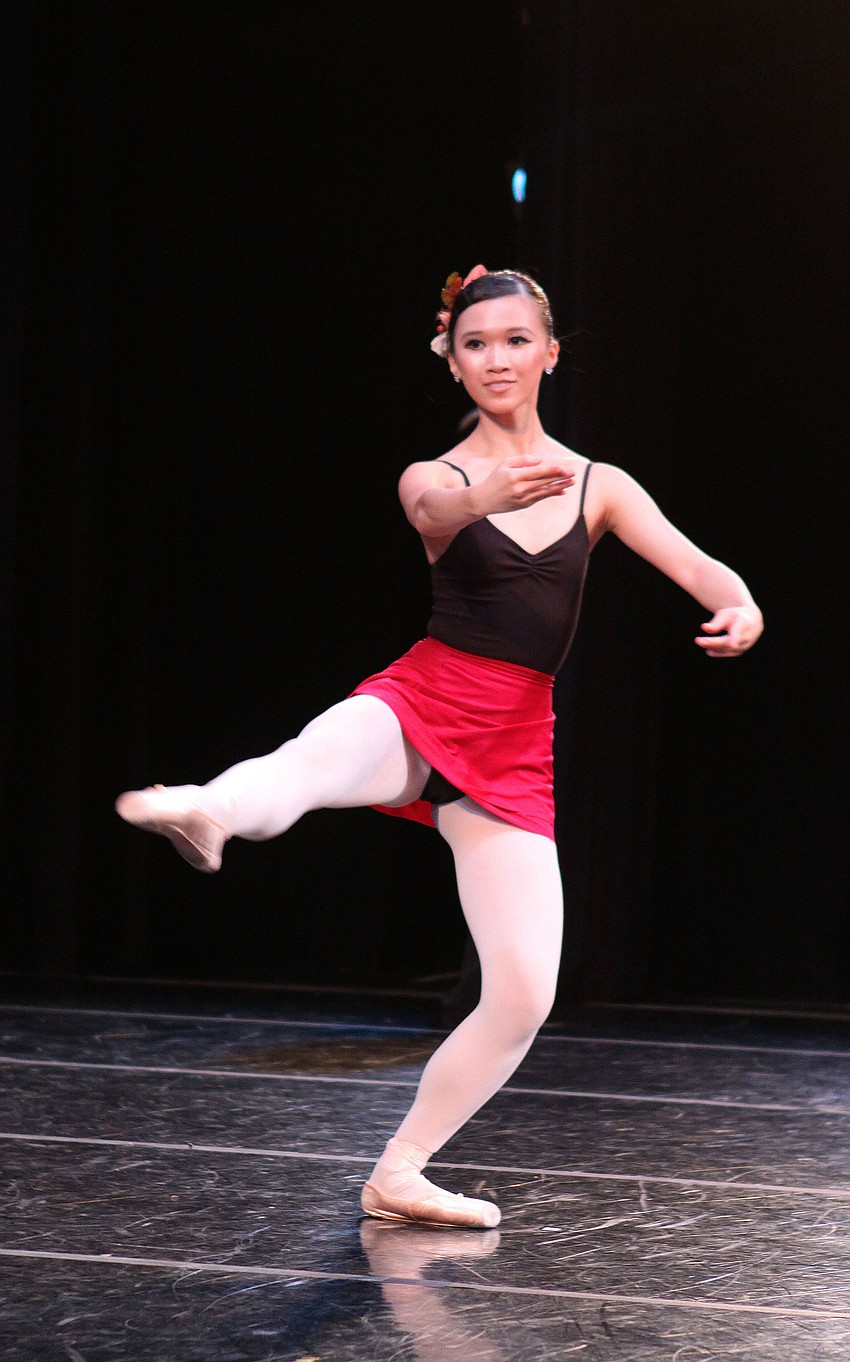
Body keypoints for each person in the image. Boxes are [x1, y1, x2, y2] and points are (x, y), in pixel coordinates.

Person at [115, 265, 763, 1229]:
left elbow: (699, 565)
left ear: (548, 351)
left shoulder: (600, 485)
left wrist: (739, 603)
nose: (495, 359)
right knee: (312, 760)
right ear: (450, 360)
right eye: (474, 345)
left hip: (514, 744)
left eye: (512, 341)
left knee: (524, 991)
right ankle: (211, 808)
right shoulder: (440, 473)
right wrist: (482, 493)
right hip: (428, 697)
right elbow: (433, 515)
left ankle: (400, 1171)